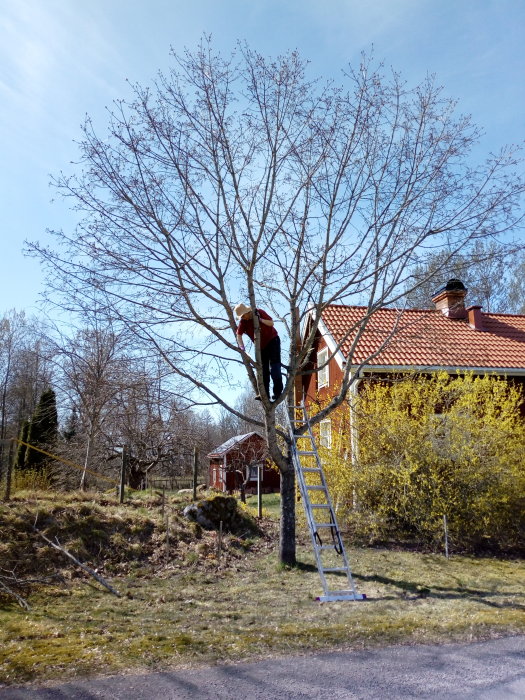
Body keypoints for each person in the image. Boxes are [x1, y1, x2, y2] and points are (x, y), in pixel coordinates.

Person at [234, 303, 283, 401]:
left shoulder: (259, 312)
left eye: (244, 315)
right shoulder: (243, 322)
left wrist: (260, 320)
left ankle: (277, 393)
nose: (243, 318)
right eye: (241, 317)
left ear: (248, 312)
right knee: (263, 371)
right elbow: (238, 335)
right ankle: (265, 395)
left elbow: (271, 323)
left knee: (275, 367)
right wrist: (242, 348)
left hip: (273, 340)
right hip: (261, 347)